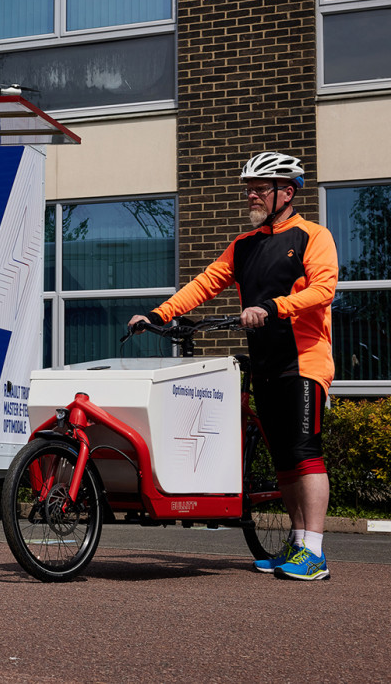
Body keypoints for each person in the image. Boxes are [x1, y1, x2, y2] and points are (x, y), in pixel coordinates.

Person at [128, 151, 337, 581]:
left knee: (305, 454)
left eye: (260, 188)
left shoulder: (314, 236)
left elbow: (324, 289)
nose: (252, 194)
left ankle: (315, 553)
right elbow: (205, 282)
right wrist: (160, 314)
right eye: (250, 188)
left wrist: (275, 307)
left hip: (305, 361)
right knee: (283, 460)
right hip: (265, 364)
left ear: (287, 191)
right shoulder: (244, 246)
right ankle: (297, 545)